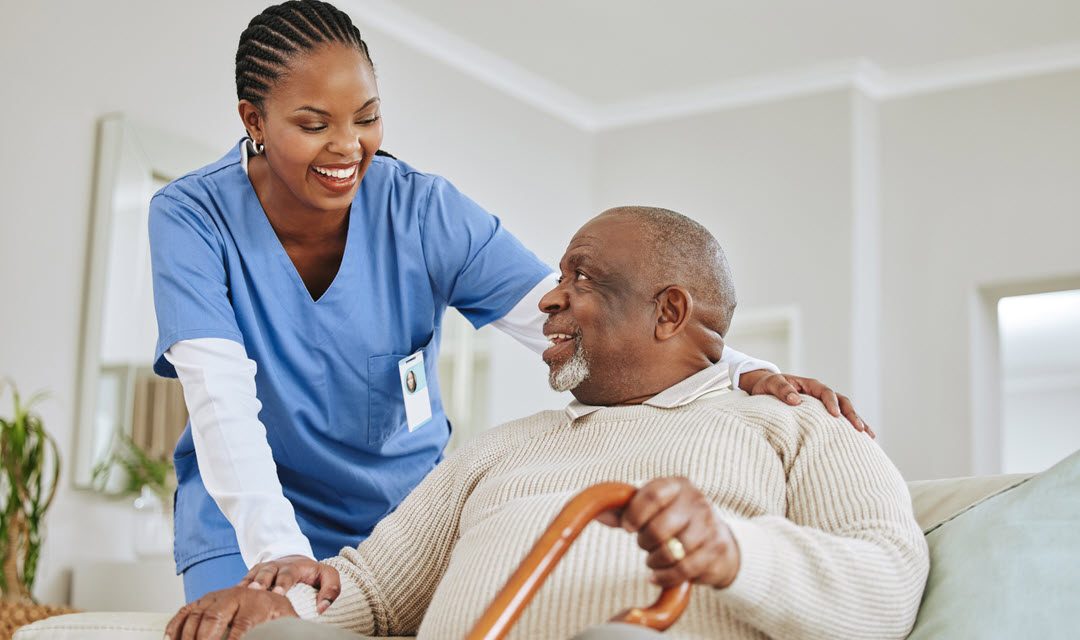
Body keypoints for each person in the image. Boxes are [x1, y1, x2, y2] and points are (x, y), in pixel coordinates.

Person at [150, 0, 872, 604]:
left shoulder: (422, 212)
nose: (349, 147)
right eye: (314, 124)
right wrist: (278, 552)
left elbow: (566, 319)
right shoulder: (191, 217)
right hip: (246, 515)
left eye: (367, 117)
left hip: (398, 521)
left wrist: (737, 366)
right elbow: (220, 400)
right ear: (253, 119)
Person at [165, 207, 928, 640]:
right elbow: (371, 594)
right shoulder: (501, 449)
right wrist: (281, 607)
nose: (548, 300)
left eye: (581, 278)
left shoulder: (794, 424)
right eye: (558, 277)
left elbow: (889, 583)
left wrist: (736, 552)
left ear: (669, 312)